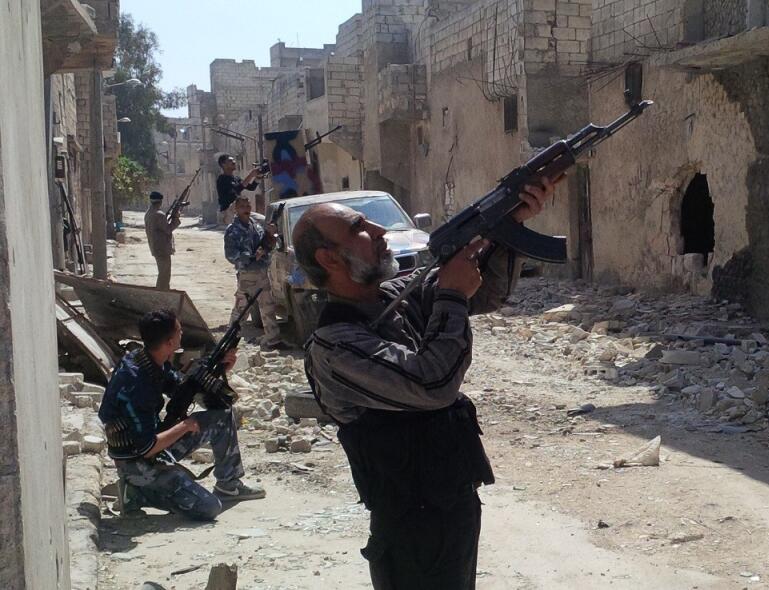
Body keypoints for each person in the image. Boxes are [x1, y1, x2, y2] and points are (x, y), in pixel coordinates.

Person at [296, 177, 558, 588]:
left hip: (450, 506)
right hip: (410, 530)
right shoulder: (335, 347)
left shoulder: (394, 297)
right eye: (359, 229)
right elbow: (433, 384)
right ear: (329, 259)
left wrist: (508, 226)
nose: (380, 232)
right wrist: (452, 296)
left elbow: (484, 292)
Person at [98, 309, 265, 521]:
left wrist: (218, 369)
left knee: (221, 417)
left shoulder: (147, 360)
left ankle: (229, 485)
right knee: (209, 508)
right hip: (138, 462)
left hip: (151, 445)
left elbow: (180, 387)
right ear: (169, 342)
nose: (182, 333)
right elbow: (146, 448)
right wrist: (184, 426)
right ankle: (136, 491)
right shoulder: (137, 384)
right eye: (179, 330)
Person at [224, 196, 284, 349]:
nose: (246, 209)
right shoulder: (233, 230)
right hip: (247, 275)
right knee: (242, 309)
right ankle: (229, 340)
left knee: (268, 307)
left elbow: (268, 245)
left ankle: (273, 339)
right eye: (242, 206)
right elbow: (230, 254)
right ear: (236, 210)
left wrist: (269, 241)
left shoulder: (256, 226)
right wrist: (250, 256)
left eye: (248, 206)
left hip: (262, 272)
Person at [145, 191, 180, 289]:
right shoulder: (159, 214)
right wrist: (176, 218)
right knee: (164, 274)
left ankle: (162, 291)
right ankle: (162, 292)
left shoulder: (149, 212)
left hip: (156, 247)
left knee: (163, 273)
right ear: (160, 202)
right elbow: (168, 229)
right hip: (162, 248)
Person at [216, 154, 262, 226]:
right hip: (228, 211)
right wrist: (251, 175)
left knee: (262, 221)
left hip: (239, 210)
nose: (234, 162)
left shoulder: (236, 179)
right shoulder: (222, 179)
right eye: (230, 161)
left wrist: (258, 177)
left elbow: (251, 187)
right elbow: (236, 190)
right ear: (223, 164)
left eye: (233, 160)